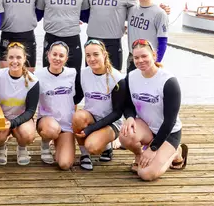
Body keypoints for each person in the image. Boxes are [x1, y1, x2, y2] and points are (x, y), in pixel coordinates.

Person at [120, 39, 188, 180]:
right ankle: (139, 156)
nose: (140, 60)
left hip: (169, 132)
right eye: (136, 57)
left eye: (144, 56)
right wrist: (130, 117)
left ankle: (175, 152)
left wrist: (153, 148)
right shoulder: (131, 77)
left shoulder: (168, 81)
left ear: (154, 56)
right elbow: (127, 104)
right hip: (147, 127)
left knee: (146, 174)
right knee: (125, 136)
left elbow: (170, 121)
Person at [72, 39, 126, 170]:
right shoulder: (83, 73)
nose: (92, 59)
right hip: (91, 116)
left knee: (93, 147)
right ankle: (84, 155)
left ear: (104, 55)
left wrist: (91, 129)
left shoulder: (116, 78)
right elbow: (76, 98)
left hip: (111, 122)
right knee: (77, 117)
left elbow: (117, 113)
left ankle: (107, 147)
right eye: (88, 55)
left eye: (96, 54)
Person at [37, 0, 89, 74]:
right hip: (51, 36)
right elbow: (38, 13)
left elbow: (85, 15)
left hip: (72, 38)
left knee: (74, 76)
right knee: (48, 74)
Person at [35, 41, 83, 169]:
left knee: (65, 164)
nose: (57, 58)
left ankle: (59, 144)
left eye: (61, 56)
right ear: (48, 55)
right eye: (54, 54)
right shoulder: (38, 75)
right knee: (51, 130)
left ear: (66, 58)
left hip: (66, 124)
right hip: (47, 121)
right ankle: (45, 143)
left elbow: (81, 95)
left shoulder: (73, 73)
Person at [0, 42, 39, 166]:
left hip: (21, 118)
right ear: (6, 59)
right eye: (11, 57)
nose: (14, 61)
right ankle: (1, 147)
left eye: (18, 57)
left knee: (27, 134)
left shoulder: (32, 81)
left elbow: (31, 111)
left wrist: (13, 123)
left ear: (25, 59)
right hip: (2, 116)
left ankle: (22, 148)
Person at [86, 0, 138, 71]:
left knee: (115, 79)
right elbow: (84, 12)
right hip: (93, 40)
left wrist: (159, 9)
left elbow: (138, 12)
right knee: (90, 77)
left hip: (114, 41)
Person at [126, 0, 169, 73]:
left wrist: (156, 62)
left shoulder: (160, 13)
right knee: (130, 86)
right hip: (132, 57)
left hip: (148, 59)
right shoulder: (131, 10)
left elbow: (163, 41)